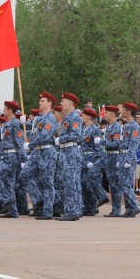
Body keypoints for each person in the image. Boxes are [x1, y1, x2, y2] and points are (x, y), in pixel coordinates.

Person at [54, 93, 84, 221]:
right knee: (70, 181)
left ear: (70, 103)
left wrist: (61, 138)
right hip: (66, 151)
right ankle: (75, 209)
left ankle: (72, 211)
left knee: (70, 182)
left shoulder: (75, 118)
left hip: (70, 151)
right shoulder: (68, 118)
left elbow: (77, 135)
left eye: (63, 101)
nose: (61, 104)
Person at [29, 93, 58, 220]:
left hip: (46, 151)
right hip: (37, 152)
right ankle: (42, 201)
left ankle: (48, 211)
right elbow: (35, 134)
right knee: (26, 175)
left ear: (49, 103)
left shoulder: (50, 118)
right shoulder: (40, 118)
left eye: (42, 100)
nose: (40, 102)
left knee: (47, 182)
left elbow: (45, 135)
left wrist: (30, 144)